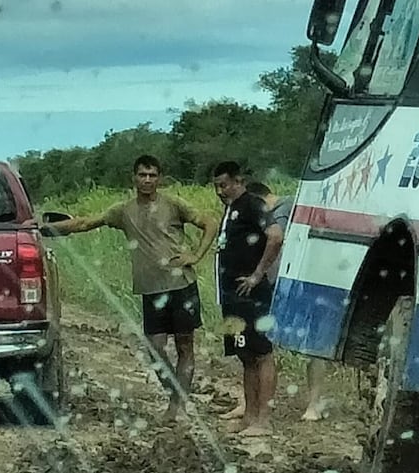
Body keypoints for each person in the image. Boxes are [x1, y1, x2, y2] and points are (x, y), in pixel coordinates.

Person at [41, 155, 218, 421]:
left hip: (181, 285)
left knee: (185, 347)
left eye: (152, 175)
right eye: (142, 175)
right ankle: (176, 397)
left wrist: (196, 254)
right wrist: (45, 228)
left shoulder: (173, 204)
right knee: (155, 349)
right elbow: (85, 222)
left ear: (160, 178)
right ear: (133, 177)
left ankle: (176, 407)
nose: (147, 180)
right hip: (150, 290)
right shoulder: (123, 211)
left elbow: (210, 222)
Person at [219, 181, 327, 422]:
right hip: (269, 284)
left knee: (309, 344)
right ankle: (250, 405)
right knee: (251, 348)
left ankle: (314, 403)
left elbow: (283, 239)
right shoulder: (245, 211)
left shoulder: (290, 207)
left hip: (299, 282)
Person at [213, 162, 283, 436]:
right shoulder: (230, 209)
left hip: (252, 293)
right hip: (232, 295)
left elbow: (275, 237)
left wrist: (257, 274)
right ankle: (249, 416)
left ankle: (263, 421)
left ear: (238, 181)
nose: (220, 191)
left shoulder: (253, 204)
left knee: (262, 352)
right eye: (217, 186)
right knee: (245, 355)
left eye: (225, 185)